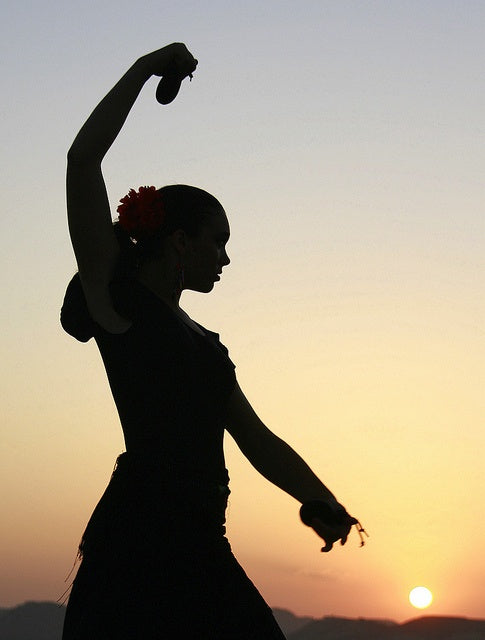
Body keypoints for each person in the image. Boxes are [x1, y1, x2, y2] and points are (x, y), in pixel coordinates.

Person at [60, 43, 365, 640]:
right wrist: (149, 66)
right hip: (134, 548)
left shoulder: (207, 347)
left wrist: (322, 500)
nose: (226, 257)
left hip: (202, 543)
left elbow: (256, 439)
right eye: (218, 240)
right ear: (178, 242)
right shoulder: (118, 303)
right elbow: (81, 161)